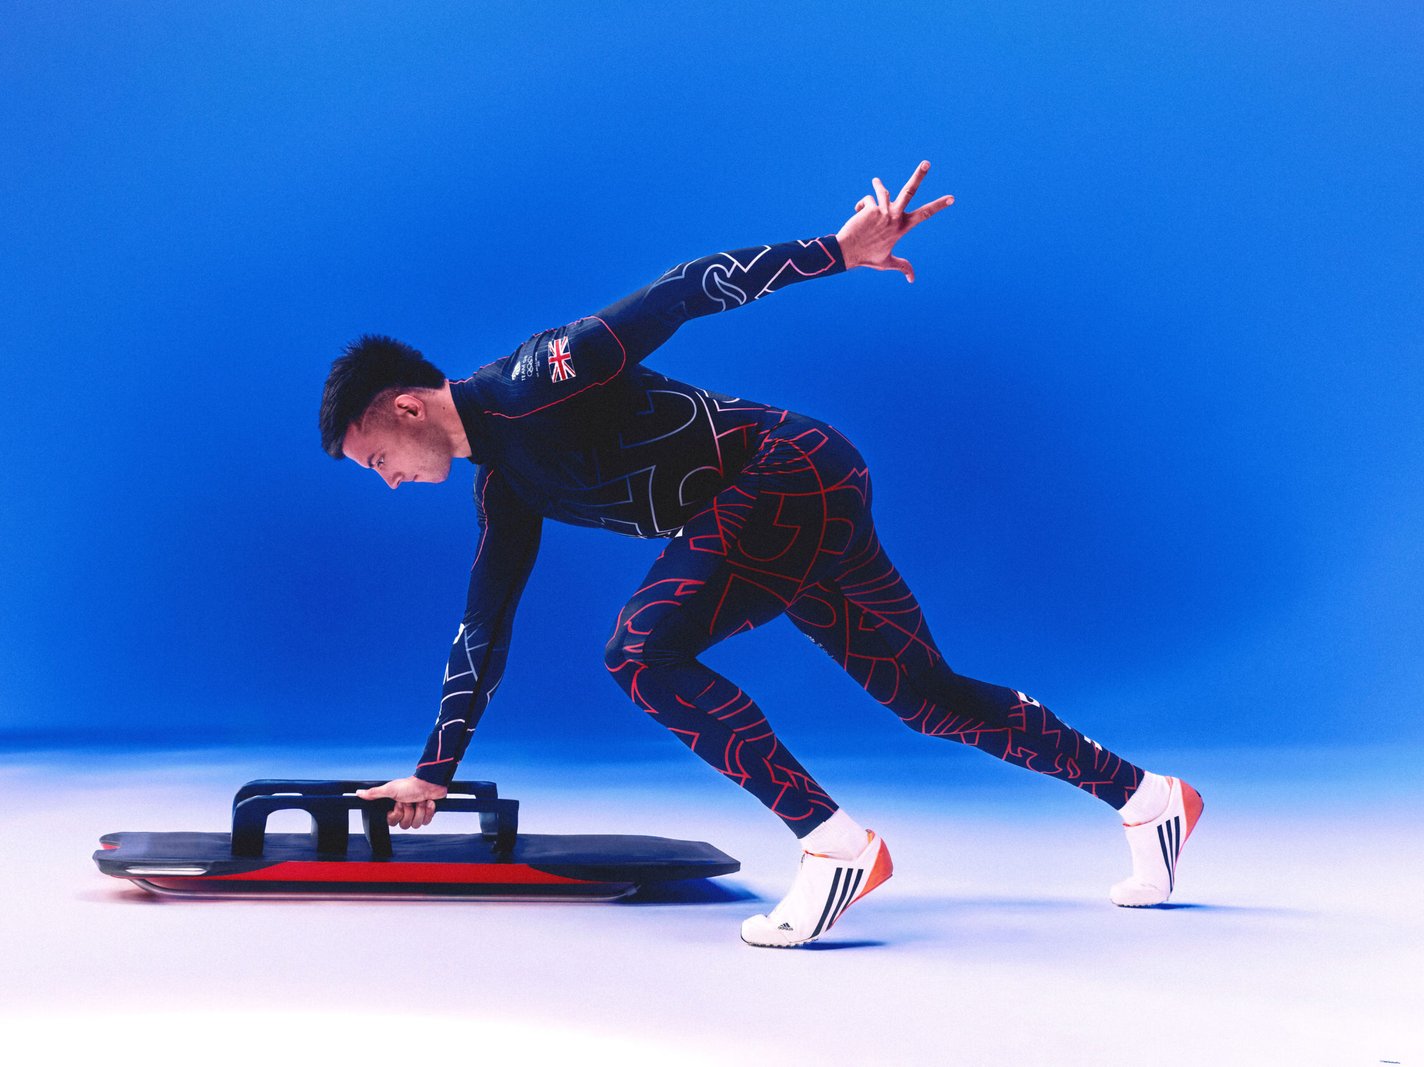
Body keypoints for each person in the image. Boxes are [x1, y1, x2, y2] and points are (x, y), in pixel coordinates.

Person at [319, 161, 1202, 947]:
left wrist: (838, 251)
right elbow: (484, 624)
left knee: (640, 651)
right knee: (927, 697)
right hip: (791, 504)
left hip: (790, 472)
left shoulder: (533, 379)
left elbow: (679, 290)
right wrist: (434, 771)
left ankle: (834, 846)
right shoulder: (503, 489)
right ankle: (1150, 799)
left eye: (377, 459)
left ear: (404, 407)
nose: (388, 480)